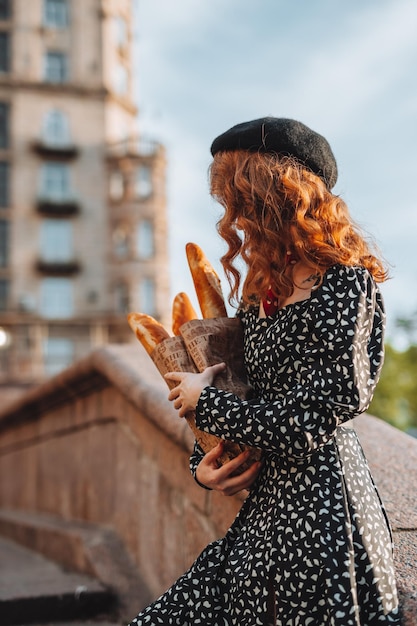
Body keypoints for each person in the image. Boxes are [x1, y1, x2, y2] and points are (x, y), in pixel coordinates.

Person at [129, 117, 401, 625]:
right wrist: (204, 463)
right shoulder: (259, 293)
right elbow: (243, 392)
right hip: (262, 513)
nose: (233, 215)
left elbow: (320, 413)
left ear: (277, 192)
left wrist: (204, 402)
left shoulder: (346, 285)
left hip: (320, 518)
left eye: (237, 195)